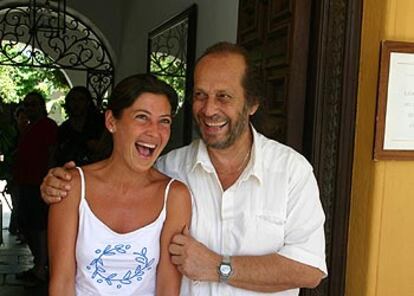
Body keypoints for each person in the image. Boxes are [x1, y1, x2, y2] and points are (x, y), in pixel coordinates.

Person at [41, 42, 327, 295]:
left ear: (252, 104)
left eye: (224, 97)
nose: (208, 109)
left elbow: (309, 270)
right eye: (201, 95)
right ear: (111, 121)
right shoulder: (169, 168)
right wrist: (56, 183)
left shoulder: (291, 172)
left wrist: (218, 267)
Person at [47, 74, 191, 296]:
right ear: (111, 121)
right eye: (142, 117)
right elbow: (61, 284)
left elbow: (167, 288)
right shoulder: (72, 186)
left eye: (164, 121)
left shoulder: (174, 195)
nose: (154, 131)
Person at [13, 92, 58, 283]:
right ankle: (39, 264)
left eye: (34, 104)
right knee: (27, 225)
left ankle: (41, 267)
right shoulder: (28, 128)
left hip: (38, 183)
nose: (30, 108)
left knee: (38, 226)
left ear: (42, 106)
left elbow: (52, 152)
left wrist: (47, 179)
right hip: (25, 182)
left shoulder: (47, 126)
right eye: (27, 105)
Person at [54, 86, 104, 166]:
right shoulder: (64, 128)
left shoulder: (98, 123)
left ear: (87, 103)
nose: (76, 103)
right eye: (73, 99)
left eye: (81, 99)